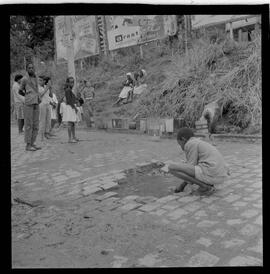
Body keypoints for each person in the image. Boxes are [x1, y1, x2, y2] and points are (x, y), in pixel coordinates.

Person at [167, 127, 229, 196]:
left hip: (212, 174)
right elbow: (192, 168)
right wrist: (182, 187)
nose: (181, 148)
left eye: (180, 144)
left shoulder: (190, 143)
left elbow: (190, 168)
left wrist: (181, 187)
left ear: (183, 139)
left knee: (171, 167)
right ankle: (206, 185)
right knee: (185, 165)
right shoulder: (198, 142)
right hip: (220, 176)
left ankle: (205, 187)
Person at [19, 63, 42, 151]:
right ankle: (28, 145)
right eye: (29, 68)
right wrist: (27, 96)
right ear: (27, 69)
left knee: (36, 124)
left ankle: (33, 143)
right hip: (28, 103)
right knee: (29, 125)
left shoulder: (36, 78)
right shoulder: (24, 79)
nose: (31, 69)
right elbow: (20, 91)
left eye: (32, 68)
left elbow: (36, 89)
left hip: (36, 102)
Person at [62, 77, 79, 143]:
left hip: (71, 107)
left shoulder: (69, 90)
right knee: (70, 123)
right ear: (68, 83)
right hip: (70, 108)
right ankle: (70, 138)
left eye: (73, 82)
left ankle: (74, 137)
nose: (72, 83)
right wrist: (74, 108)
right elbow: (69, 101)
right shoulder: (68, 90)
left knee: (73, 123)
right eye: (71, 82)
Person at [38, 76, 53, 141]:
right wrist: (47, 88)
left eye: (42, 80)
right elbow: (40, 95)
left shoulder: (45, 87)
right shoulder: (38, 87)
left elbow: (51, 95)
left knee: (48, 120)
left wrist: (50, 88)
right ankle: (41, 135)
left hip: (48, 104)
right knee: (42, 120)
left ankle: (47, 133)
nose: (41, 82)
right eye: (40, 80)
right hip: (42, 104)